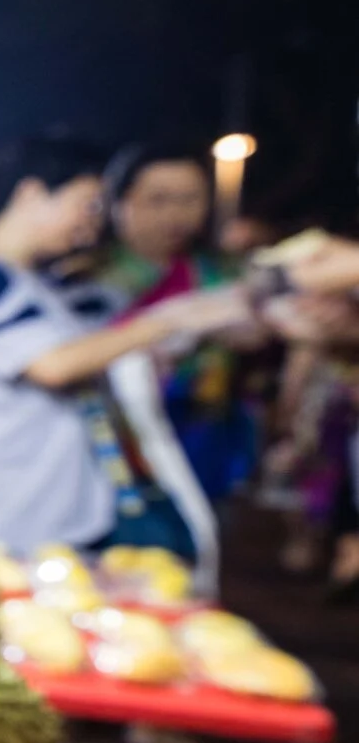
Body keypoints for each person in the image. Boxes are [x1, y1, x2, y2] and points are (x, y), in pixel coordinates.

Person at [0, 137, 255, 743]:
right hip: (11, 509)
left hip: (53, 502)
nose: (92, 220)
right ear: (30, 194)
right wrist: (173, 315)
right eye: (84, 202)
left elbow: (104, 334)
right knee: (32, 662)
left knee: (71, 651)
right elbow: (56, 363)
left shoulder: (36, 285)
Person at [91, 143, 261, 502]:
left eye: (190, 199)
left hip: (204, 442)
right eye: (158, 200)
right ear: (118, 204)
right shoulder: (89, 281)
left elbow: (259, 332)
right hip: (112, 450)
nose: (176, 214)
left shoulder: (222, 273)